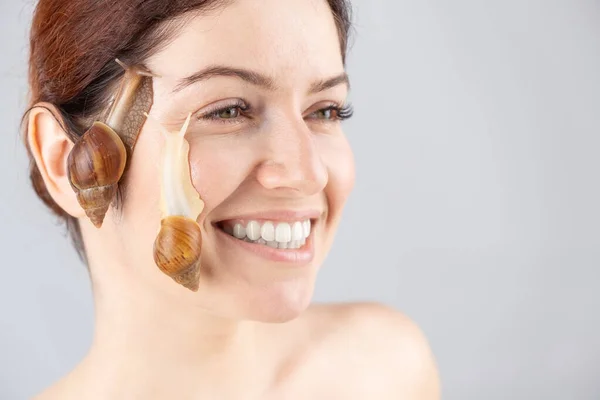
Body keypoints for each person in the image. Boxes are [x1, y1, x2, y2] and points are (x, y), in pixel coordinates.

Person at [23, 0, 440, 398]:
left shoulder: (382, 372)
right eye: (227, 111)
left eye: (325, 110)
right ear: (62, 161)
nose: (307, 172)